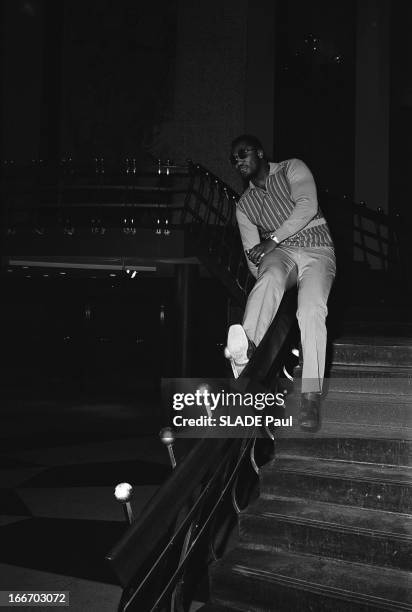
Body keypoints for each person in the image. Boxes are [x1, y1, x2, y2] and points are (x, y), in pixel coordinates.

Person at [224, 134, 336, 431]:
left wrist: (272, 240)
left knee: (310, 310)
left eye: (243, 153)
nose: (238, 161)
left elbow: (307, 206)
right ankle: (246, 350)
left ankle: (311, 396)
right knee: (268, 277)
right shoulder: (244, 206)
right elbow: (252, 258)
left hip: (317, 248)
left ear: (260, 153)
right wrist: (268, 274)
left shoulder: (291, 169)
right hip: (282, 255)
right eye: (233, 159)